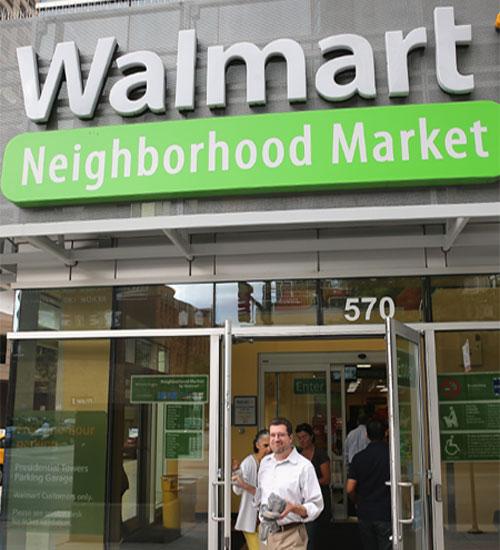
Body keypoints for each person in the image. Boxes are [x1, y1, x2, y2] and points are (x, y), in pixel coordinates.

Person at [256, 417, 324, 550]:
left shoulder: (304, 466)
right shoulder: (265, 464)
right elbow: (261, 495)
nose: (276, 439)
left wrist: (293, 507)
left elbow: (316, 505)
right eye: (273, 435)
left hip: (291, 536)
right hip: (266, 535)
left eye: (281, 435)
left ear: (290, 438)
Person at [346, 420, 391, 550]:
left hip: (365, 512)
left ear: (367, 435)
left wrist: (357, 500)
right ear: (385, 433)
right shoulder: (392, 456)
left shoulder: (359, 458)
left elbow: (349, 488)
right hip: (386, 512)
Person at [232, 429, 271, 550]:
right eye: (265, 445)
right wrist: (237, 472)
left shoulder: (271, 463)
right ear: (257, 445)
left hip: (266, 519)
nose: (269, 449)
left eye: (271, 445)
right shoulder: (248, 463)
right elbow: (237, 490)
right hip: (251, 518)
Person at [295, 423, 332, 550]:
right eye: (299, 438)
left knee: (320, 535)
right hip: (302, 502)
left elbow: (327, 479)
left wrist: (308, 484)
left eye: (304, 436)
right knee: (306, 536)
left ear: (311, 436)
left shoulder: (320, 454)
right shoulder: (296, 454)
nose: (302, 440)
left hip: (319, 499)